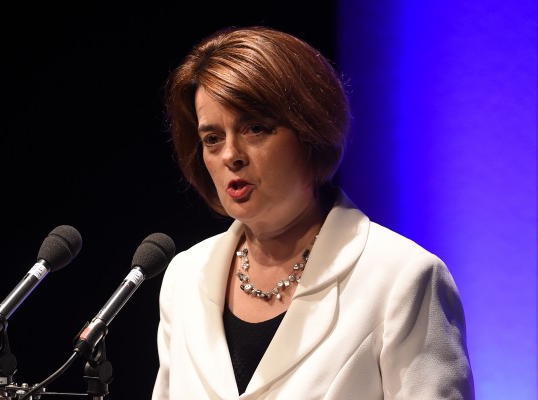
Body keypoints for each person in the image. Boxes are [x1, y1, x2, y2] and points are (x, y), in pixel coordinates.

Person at [152, 25, 474, 399]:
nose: (230, 155)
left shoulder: (403, 278)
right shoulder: (185, 278)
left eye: (255, 128)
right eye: (212, 138)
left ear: (310, 132)